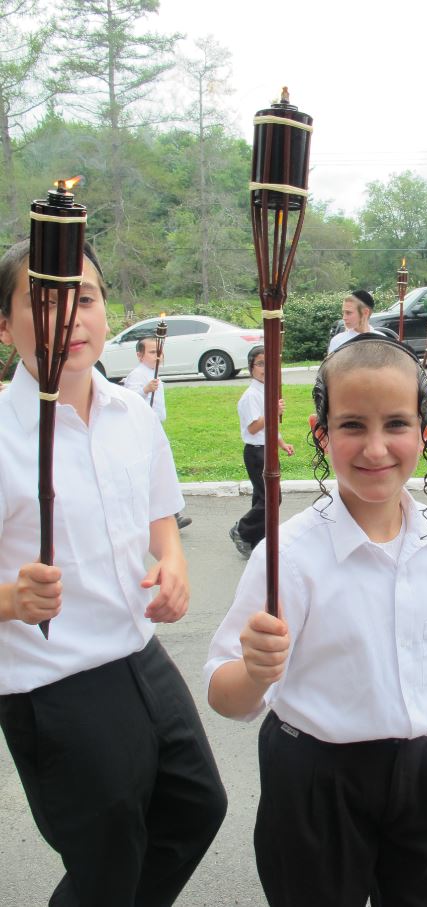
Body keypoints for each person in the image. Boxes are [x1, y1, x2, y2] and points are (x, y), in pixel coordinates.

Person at [206, 335, 427, 907]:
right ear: (322, 432)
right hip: (312, 779)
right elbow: (224, 695)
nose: (377, 448)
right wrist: (258, 672)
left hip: (415, 769)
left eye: (397, 424)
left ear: (425, 430)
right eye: (353, 425)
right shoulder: (288, 557)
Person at [0, 239, 227, 906]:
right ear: (5, 325)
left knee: (195, 806)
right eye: (43, 301)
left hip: (138, 654)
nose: (70, 315)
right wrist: (13, 597)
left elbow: (160, 513)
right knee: (108, 850)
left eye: (86, 297)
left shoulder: (131, 411)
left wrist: (175, 562)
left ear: (106, 310)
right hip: (52, 678)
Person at [229, 345, 294, 559]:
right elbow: (254, 427)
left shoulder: (266, 391)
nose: (265, 368)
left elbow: (270, 428)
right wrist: (273, 411)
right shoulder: (251, 396)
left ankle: (257, 539)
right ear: (251, 368)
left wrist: (282, 443)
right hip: (256, 452)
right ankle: (243, 530)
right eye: (260, 364)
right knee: (271, 498)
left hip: (267, 449)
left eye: (270, 364)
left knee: (261, 497)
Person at [124, 335, 192, 530]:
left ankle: (170, 513)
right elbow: (130, 401)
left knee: (159, 469)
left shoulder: (153, 374)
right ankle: (166, 514)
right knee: (153, 470)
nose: (157, 356)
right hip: (142, 429)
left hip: (154, 427)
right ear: (140, 355)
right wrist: (145, 390)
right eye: (152, 352)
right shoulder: (137, 375)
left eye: (159, 352)